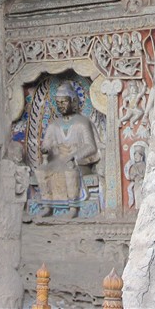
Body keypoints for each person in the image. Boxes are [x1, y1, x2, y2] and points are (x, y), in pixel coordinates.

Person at [35, 82, 100, 217]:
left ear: (73, 101)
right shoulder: (54, 125)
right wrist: (45, 150)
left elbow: (91, 146)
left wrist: (74, 156)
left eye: (64, 102)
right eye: (58, 102)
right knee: (41, 170)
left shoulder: (82, 122)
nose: (61, 105)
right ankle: (47, 206)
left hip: (78, 162)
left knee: (70, 169)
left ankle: (73, 207)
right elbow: (46, 145)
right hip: (58, 161)